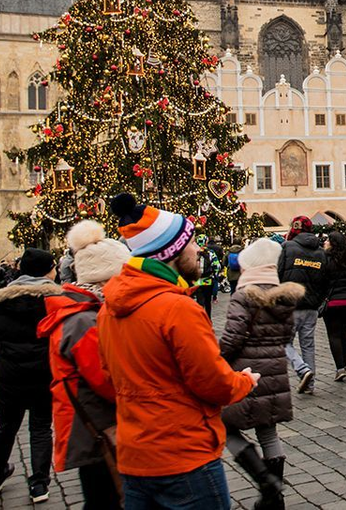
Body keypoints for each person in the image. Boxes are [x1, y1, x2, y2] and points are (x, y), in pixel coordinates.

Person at [99, 193, 259, 510]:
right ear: (170, 252)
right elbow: (211, 382)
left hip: (135, 457)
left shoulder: (108, 308)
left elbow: (108, 375)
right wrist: (243, 381)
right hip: (183, 456)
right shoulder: (177, 308)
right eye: (191, 242)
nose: (198, 248)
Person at [38, 220, 130, 508]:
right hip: (94, 428)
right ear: (105, 280)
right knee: (104, 497)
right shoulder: (83, 320)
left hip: (95, 423)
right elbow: (105, 380)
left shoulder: (87, 312)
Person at [220, 237, 302, 510]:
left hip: (246, 373)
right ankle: (274, 498)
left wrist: (218, 360)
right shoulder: (284, 297)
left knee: (225, 427)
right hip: (275, 371)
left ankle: (265, 481)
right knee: (268, 432)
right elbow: (288, 334)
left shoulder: (242, 296)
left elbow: (232, 339)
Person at [0, 247, 61, 503]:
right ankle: (39, 484)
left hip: (9, 373)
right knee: (40, 427)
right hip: (43, 371)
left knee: (6, 426)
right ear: (48, 270)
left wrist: (9, 354)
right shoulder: (54, 300)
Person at [278, 215, 329, 395]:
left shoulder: (287, 247)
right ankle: (310, 384)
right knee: (308, 345)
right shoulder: (321, 252)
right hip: (311, 307)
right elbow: (326, 280)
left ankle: (302, 369)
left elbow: (279, 273)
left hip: (290, 304)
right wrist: (318, 301)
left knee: (283, 342)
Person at [321, 229, 346, 382]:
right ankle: (344, 364)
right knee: (343, 334)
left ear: (333, 244)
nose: (325, 242)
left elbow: (321, 281)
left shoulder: (325, 260)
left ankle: (340, 367)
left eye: (328, 240)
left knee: (334, 335)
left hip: (333, 301)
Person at [193, 235, 218, 318]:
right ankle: (208, 319)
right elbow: (217, 266)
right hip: (208, 279)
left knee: (200, 300)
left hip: (197, 279)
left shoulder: (194, 251)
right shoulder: (210, 252)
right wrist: (215, 275)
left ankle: (200, 318)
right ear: (206, 242)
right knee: (208, 301)